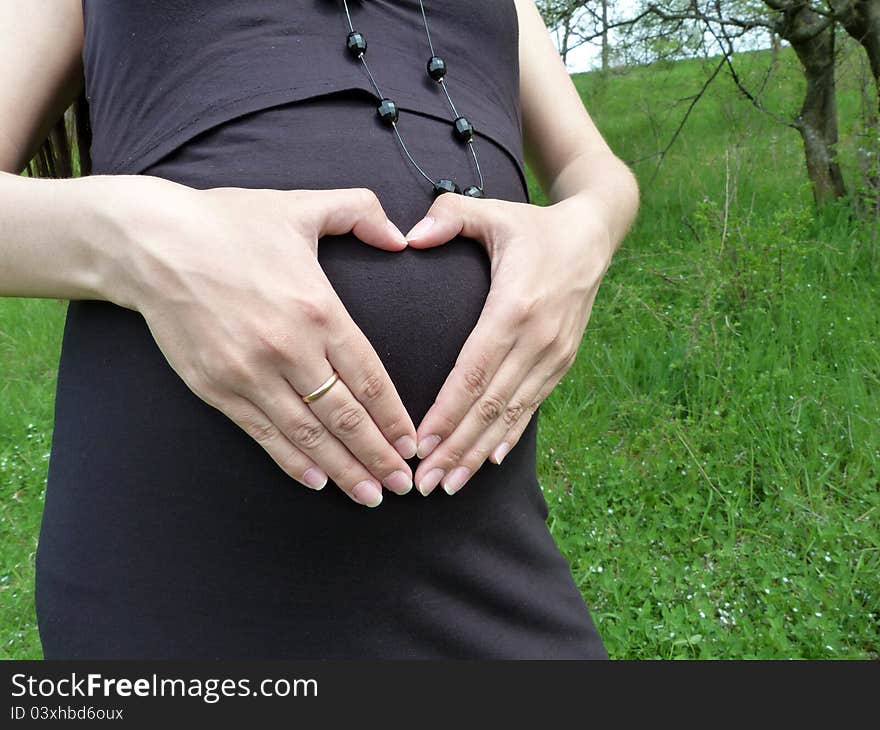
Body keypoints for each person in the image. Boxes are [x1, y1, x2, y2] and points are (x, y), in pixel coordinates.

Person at [0, 0, 639, 659]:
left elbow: (593, 167)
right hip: (186, 582)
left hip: (486, 556)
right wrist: (138, 239)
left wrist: (587, 230)